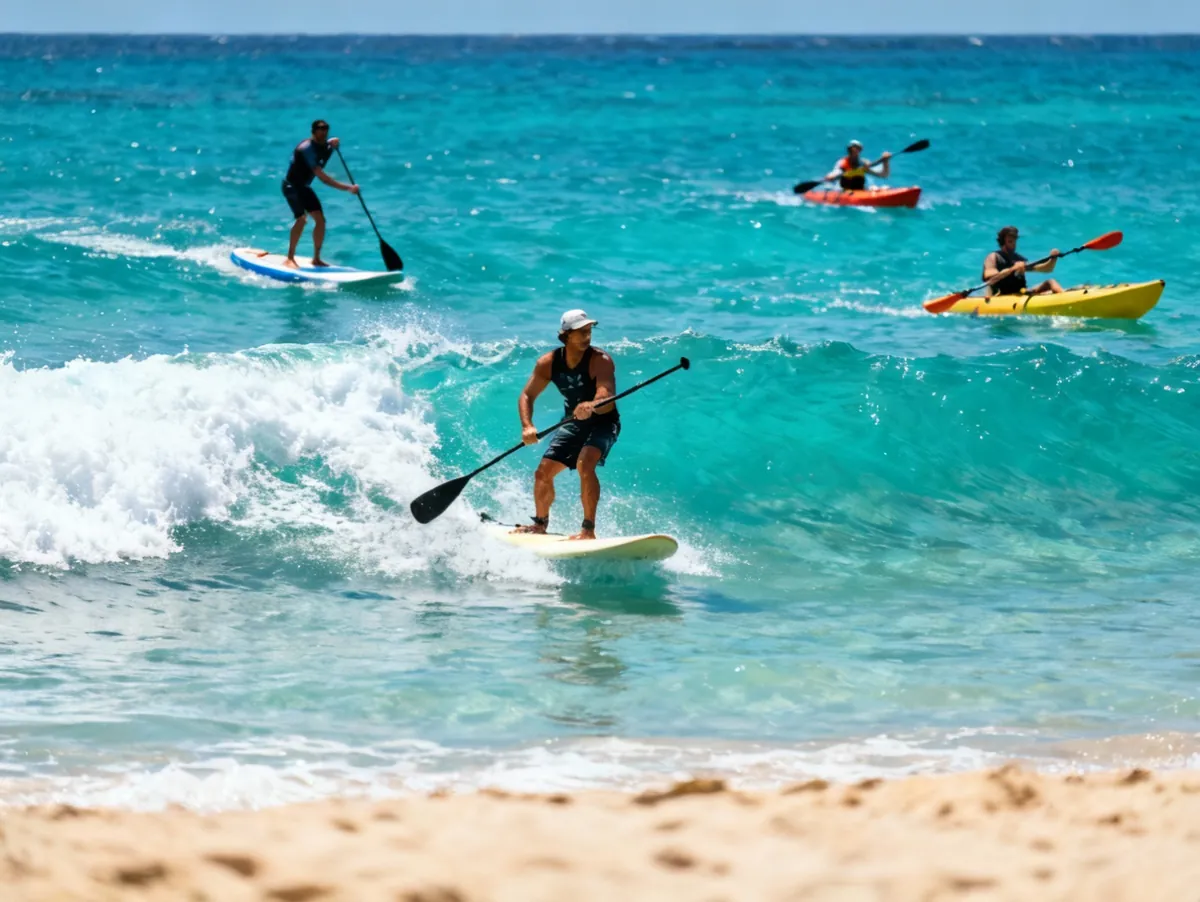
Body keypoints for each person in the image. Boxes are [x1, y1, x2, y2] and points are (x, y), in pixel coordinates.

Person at [513, 310, 620, 541]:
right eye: (581, 332)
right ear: (566, 335)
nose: (587, 337)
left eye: (589, 331)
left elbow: (607, 397)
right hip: (572, 423)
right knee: (543, 473)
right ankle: (540, 524)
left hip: (604, 421)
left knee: (585, 463)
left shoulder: (600, 360)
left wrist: (592, 405)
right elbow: (527, 396)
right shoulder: (548, 363)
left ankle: (588, 530)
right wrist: (527, 426)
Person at [281, 119, 359, 268]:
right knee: (302, 220)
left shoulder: (325, 145)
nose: (323, 132)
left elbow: (328, 144)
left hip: (303, 187)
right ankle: (290, 258)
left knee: (320, 220)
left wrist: (333, 142)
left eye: (326, 129)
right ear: (313, 131)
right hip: (291, 187)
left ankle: (316, 258)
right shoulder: (306, 148)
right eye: (320, 129)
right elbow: (321, 177)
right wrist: (347, 188)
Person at [982, 226, 1063, 297]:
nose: (1013, 245)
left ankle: (1063, 296)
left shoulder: (1019, 259)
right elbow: (989, 276)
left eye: (1014, 241)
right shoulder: (993, 257)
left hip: (1020, 293)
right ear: (1002, 242)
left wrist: (1052, 260)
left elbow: (1047, 269)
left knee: (1050, 282)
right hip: (1001, 295)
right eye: (1010, 242)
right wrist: (1012, 269)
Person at [826, 139, 891, 190]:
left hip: (860, 190)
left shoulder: (863, 163)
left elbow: (883, 175)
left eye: (858, 149)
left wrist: (885, 162)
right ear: (849, 151)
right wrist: (831, 176)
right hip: (845, 191)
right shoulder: (842, 163)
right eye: (852, 150)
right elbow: (835, 172)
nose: (855, 152)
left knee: (877, 187)